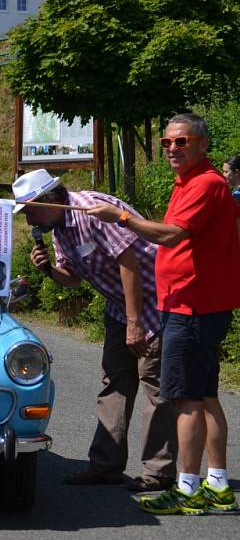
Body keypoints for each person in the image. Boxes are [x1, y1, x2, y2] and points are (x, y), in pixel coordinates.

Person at [88, 113, 240, 515]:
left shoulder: (205, 183)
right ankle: (218, 483)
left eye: (182, 141)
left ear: (203, 145)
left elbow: (172, 234)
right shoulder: (191, 182)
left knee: (185, 399)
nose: (173, 148)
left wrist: (121, 217)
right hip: (194, 305)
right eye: (168, 142)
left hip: (191, 306)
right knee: (205, 396)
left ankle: (188, 489)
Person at [12, 169, 177, 492]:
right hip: (119, 307)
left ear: (51, 201)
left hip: (154, 302)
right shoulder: (60, 230)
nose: (29, 221)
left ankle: (159, 471)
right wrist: (48, 269)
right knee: (114, 382)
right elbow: (73, 278)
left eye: (30, 210)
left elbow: (129, 263)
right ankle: (105, 466)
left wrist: (134, 323)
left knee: (154, 385)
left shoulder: (92, 210)